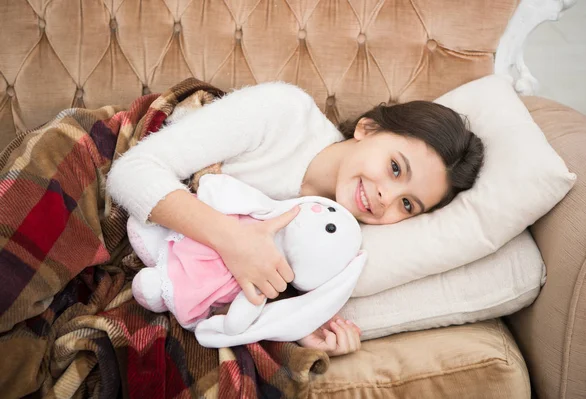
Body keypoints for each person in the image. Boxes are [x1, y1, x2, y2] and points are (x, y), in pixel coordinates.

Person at [106, 81, 484, 357]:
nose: (387, 197)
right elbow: (131, 171)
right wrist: (233, 241)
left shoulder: (335, 240)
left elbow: (235, 297)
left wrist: (296, 326)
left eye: (408, 205)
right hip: (108, 179)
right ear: (367, 128)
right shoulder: (284, 111)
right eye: (395, 167)